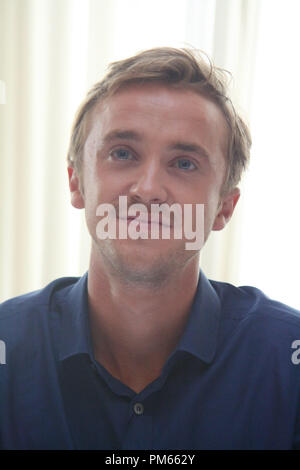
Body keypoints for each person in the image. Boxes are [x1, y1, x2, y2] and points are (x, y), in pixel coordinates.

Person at [0, 47, 299, 451]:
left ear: (224, 207)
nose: (148, 190)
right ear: (76, 183)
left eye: (184, 163)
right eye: (122, 154)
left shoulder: (287, 361)